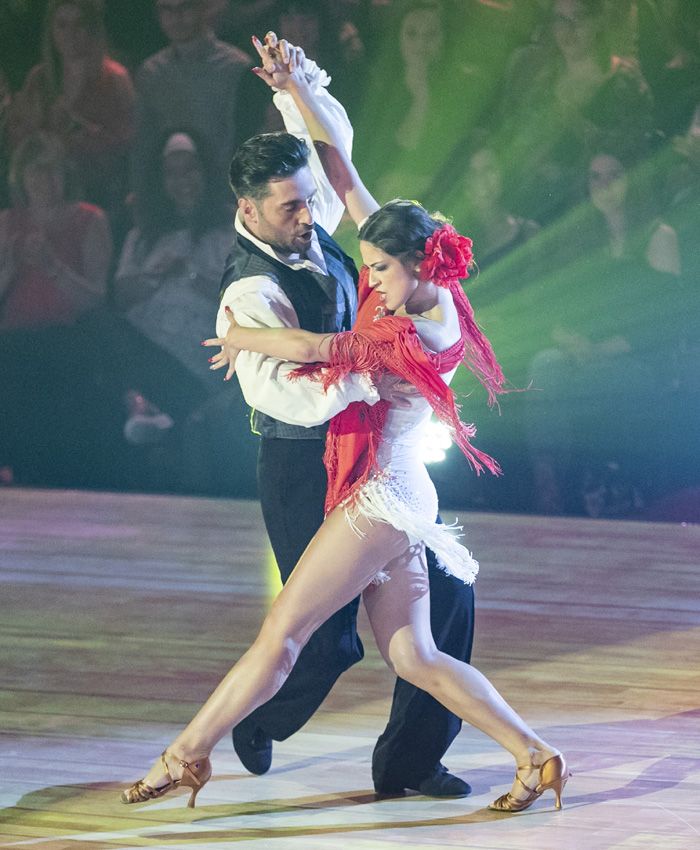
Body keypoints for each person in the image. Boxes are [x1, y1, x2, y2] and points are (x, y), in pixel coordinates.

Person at [120, 36, 567, 815]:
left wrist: (241, 337)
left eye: (382, 271)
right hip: (397, 491)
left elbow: (319, 348)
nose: (374, 280)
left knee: (284, 635)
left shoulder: (407, 330)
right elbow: (349, 181)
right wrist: (298, 94)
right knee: (417, 656)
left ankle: (187, 754)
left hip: (381, 497)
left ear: (419, 264)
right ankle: (537, 754)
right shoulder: (432, 284)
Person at [211, 34, 477, 799]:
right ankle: (256, 717)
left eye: (304, 200)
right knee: (326, 638)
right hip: (303, 460)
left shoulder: (308, 218)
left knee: (449, 599)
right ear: (248, 210)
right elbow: (284, 391)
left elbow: (338, 168)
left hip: (377, 456)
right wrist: (360, 378)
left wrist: (297, 92)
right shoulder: (246, 291)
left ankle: (410, 760)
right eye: (290, 207)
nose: (307, 215)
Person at [7, 0, 135, 225]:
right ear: (51, 31)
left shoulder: (115, 80)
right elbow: (20, 143)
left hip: (100, 200)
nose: (70, 34)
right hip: (45, 201)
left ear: (92, 28)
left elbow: (127, 142)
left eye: (79, 24)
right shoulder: (39, 80)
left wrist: (81, 133)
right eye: (62, 25)